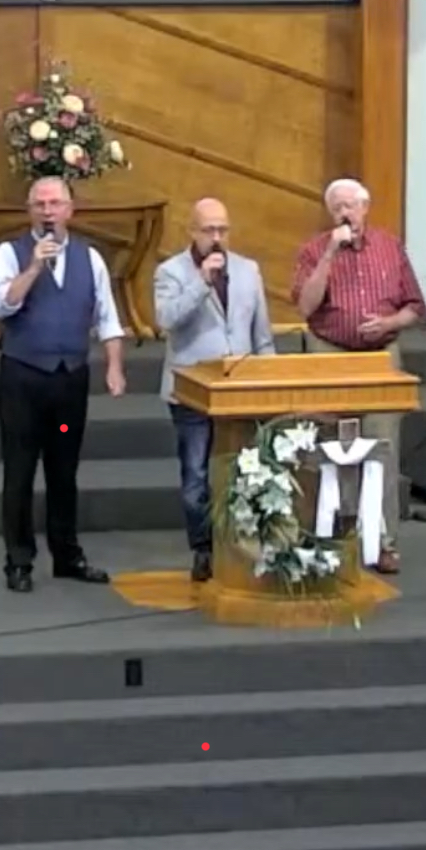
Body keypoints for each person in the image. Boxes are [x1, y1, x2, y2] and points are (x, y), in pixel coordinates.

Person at [0, 176, 127, 593]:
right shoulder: (10, 254)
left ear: (70, 210)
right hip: (24, 382)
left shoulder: (90, 258)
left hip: (68, 385)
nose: (48, 211)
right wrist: (32, 268)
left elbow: (108, 318)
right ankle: (19, 560)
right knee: (20, 469)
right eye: (40, 204)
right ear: (29, 210)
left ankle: (67, 554)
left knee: (63, 468)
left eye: (55, 203)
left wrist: (114, 367)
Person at [292, 177, 426, 573]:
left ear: (365, 208)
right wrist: (329, 255)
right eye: (337, 207)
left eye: (351, 205)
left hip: (380, 355)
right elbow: (305, 307)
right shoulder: (314, 250)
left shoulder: (390, 247)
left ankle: (383, 541)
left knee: (382, 445)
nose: (344, 213)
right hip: (330, 352)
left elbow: (415, 306)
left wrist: (389, 322)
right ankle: (334, 536)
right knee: (333, 443)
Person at [154, 197, 278, 582]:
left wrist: (272, 380)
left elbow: (261, 334)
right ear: (192, 231)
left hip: (240, 390)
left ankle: (242, 547)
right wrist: (201, 282)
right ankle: (203, 548)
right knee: (195, 476)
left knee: (246, 470)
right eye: (209, 230)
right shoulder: (171, 272)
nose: (217, 237)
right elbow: (166, 320)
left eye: (223, 229)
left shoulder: (248, 270)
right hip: (191, 391)